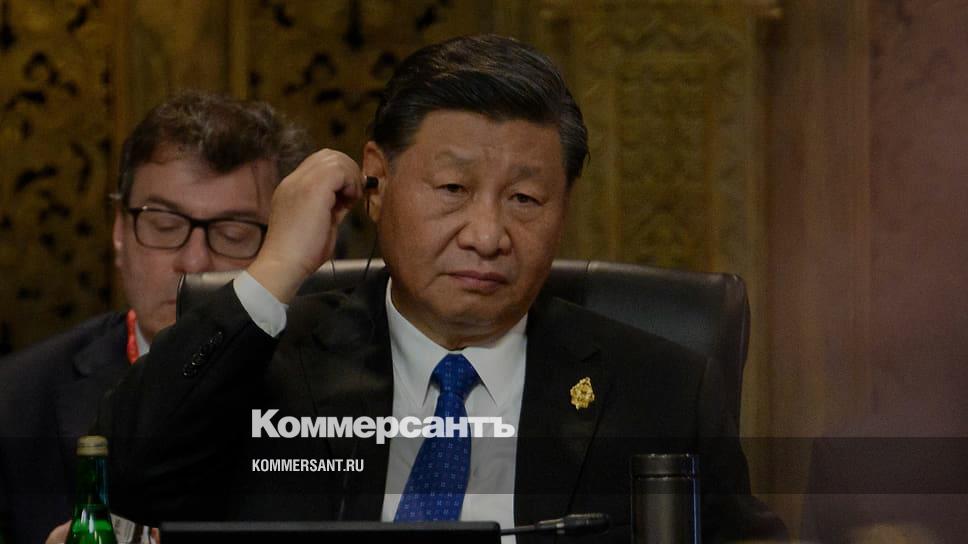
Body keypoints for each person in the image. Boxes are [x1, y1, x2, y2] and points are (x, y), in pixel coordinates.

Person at [98, 35, 784, 542]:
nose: (487, 235)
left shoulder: (661, 392)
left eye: (525, 199)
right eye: (453, 188)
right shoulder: (269, 365)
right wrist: (275, 267)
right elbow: (126, 476)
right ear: (377, 180)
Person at [0, 90, 313, 544]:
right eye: (164, 225)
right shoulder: (15, 400)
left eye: (234, 233)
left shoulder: (331, 399)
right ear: (119, 231)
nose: (194, 261)